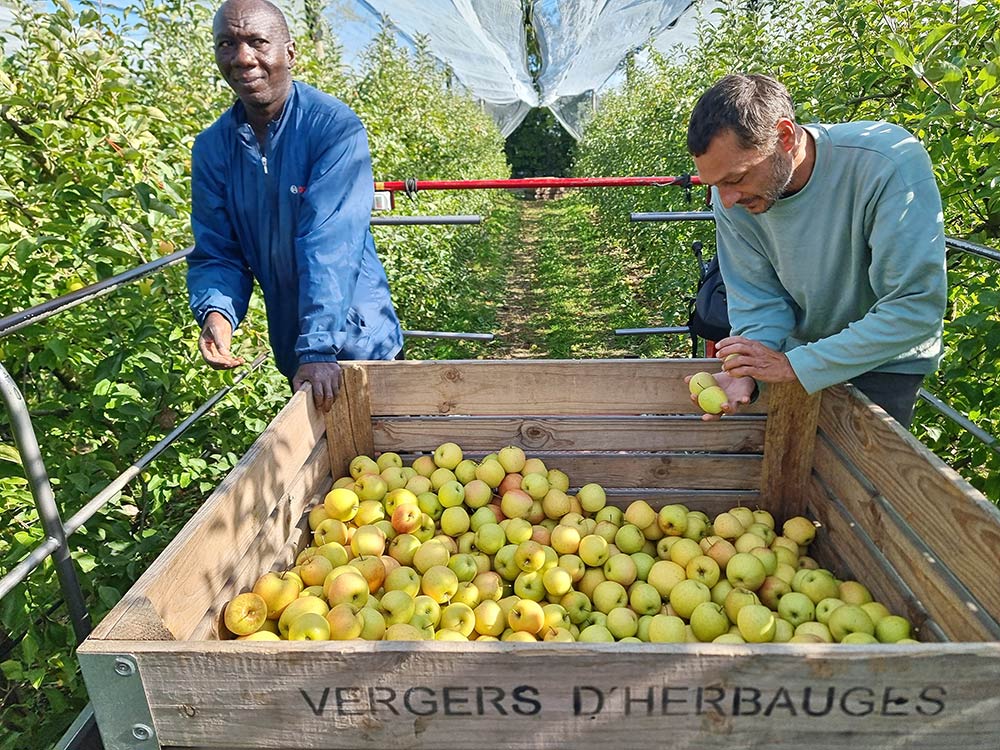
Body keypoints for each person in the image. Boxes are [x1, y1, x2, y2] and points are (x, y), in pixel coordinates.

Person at [685, 73, 947, 427]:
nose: (726, 200)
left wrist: (796, 365)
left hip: (883, 362)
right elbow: (757, 299)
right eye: (715, 185)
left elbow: (914, 307)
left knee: (865, 477)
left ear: (785, 137)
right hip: (793, 356)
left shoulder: (886, 163)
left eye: (735, 179)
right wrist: (748, 368)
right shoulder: (731, 197)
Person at [186, 0, 403, 412]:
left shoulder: (333, 128)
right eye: (227, 43)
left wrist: (320, 346)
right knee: (342, 469)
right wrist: (217, 313)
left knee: (394, 455)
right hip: (297, 345)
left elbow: (330, 243)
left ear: (289, 52)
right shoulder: (213, 148)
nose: (242, 57)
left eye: (257, 41)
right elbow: (218, 250)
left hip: (357, 333)